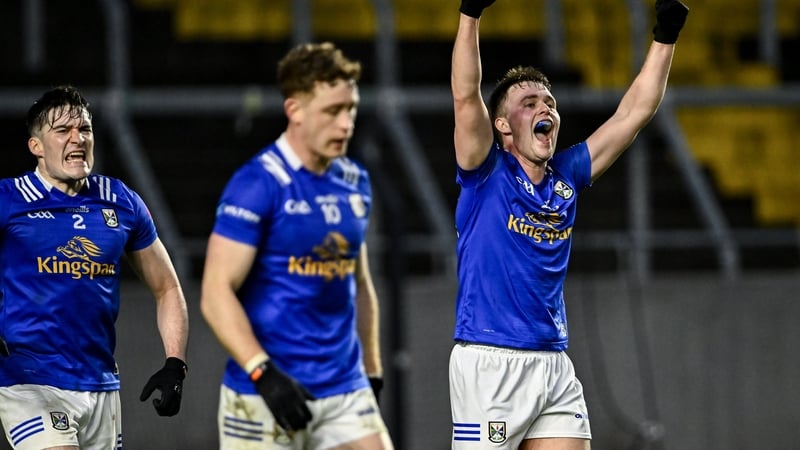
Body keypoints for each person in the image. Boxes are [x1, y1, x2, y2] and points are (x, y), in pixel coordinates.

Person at [449, 0, 688, 448]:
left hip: (553, 362)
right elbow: (465, 96)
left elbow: (633, 113)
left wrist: (666, 36)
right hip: (490, 362)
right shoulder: (485, 171)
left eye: (550, 102)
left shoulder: (567, 175)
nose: (545, 108)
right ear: (502, 125)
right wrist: (470, 15)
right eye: (529, 103)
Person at [200, 42, 393, 450]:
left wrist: (372, 371)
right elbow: (215, 292)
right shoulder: (257, 183)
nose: (346, 124)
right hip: (266, 391)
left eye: (351, 109)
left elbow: (359, 283)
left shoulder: (354, 181)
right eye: (333, 111)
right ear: (295, 110)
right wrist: (262, 372)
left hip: (344, 387)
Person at [0, 85, 190, 449]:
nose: (77, 138)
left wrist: (175, 364)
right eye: (63, 130)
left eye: (84, 129)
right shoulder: (10, 199)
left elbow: (167, 287)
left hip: (100, 382)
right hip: (29, 380)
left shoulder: (121, 201)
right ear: (36, 146)